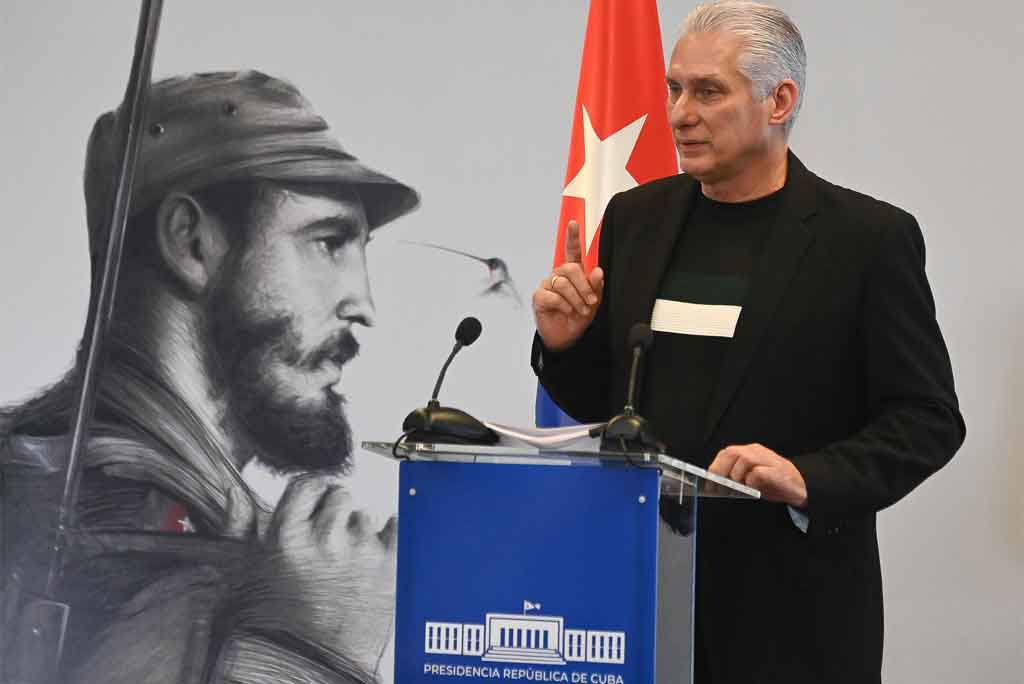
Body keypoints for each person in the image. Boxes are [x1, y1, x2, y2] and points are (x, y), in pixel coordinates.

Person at [530, 2, 965, 683]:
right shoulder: (636, 218)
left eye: (708, 91)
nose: (680, 113)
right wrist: (566, 345)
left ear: (778, 101)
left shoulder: (866, 241)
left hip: (791, 614)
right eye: (675, 88)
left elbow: (927, 419)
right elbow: (612, 405)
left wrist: (809, 477)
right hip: (641, 596)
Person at [0, 70, 418, 683]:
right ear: (192, 243)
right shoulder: (80, 531)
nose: (363, 304)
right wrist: (301, 653)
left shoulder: (217, 527)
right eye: (327, 242)